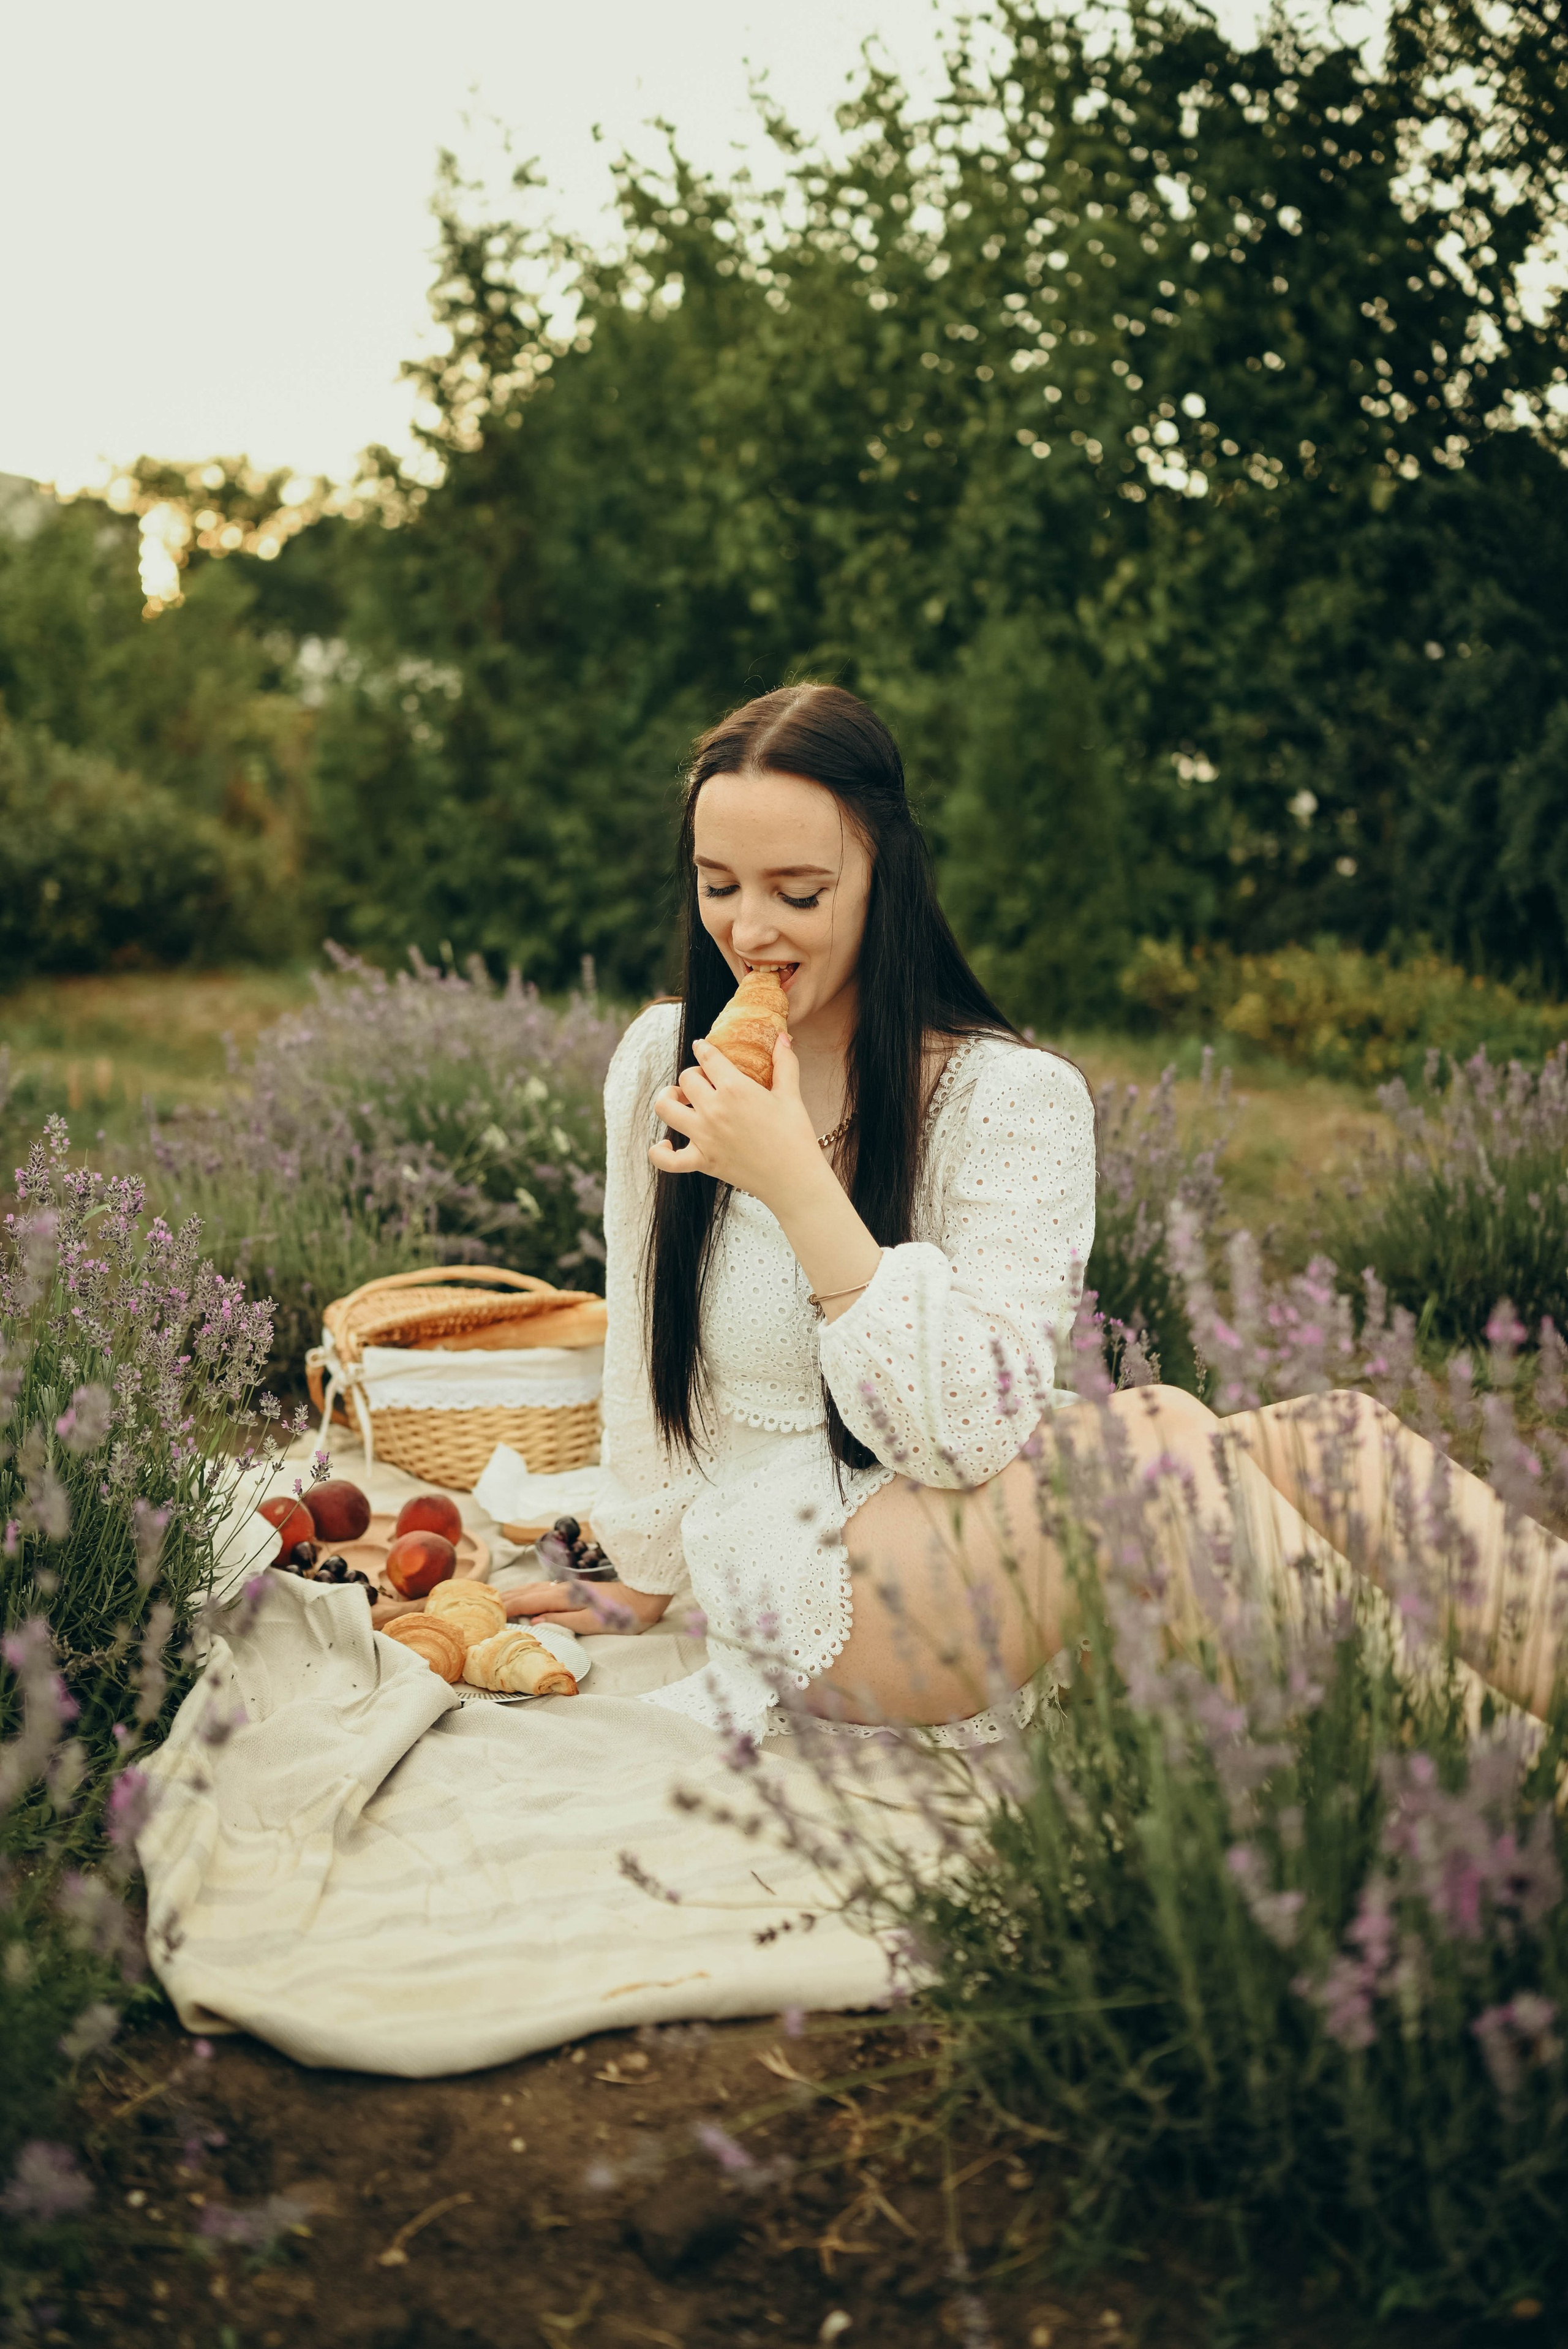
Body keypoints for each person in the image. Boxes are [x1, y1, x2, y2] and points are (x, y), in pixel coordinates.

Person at [503, 682, 1567, 1736]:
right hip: (791, 1555)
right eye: (718, 884)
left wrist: (797, 1184)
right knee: (1162, 1439)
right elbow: (642, 1344)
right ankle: (1485, 1784)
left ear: (885, 879)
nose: (748, 928)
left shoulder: (1010, 1099)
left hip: (965, 1503)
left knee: (1342, 1437)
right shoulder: (666, 1059)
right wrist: (640, 1567)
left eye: (799, 894)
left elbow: (967, 1436)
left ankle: (1494, 1743)